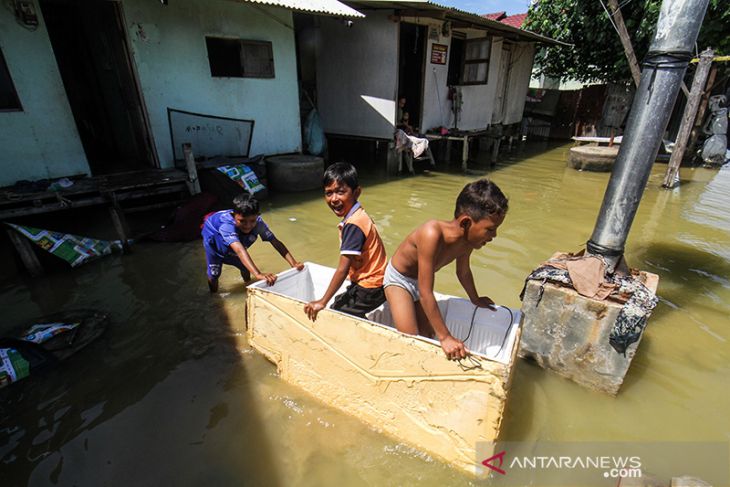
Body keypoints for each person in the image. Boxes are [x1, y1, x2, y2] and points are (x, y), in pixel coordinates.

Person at [383, 179, 508, 360]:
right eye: (490, 229)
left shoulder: (468, 242)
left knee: (427, 336)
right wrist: (446, 336)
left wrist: (475, 298)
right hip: (399, 280)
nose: (494, 235)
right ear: (466, 223)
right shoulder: (432, 233)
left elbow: (463, 272)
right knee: (410, 340)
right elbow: (426, 293)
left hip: (420, 281)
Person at [304, 162, 388, 320]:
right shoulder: (359, 215)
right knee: (339, 302)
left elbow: (342, 269)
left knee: (336, 312)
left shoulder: (353, 225)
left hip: (370, 286)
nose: (334, 199)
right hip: (377, 283)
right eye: (329, 193)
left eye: (340, 192)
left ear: (357, 192)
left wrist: (322, 301)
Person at [201, 193, 303, 292]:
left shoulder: (258, 223)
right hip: (214, 243)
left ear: (257, 216)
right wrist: (258, 274)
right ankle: (214, 296)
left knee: (245, 268)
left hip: (236, 242)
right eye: (242, 221)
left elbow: (275, 242)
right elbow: (239, 250)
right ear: (233, 216)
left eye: (252, 220)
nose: (248, 225)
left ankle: (248, 287)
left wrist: (293, 263)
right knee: (214, 274)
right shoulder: (226, 225)